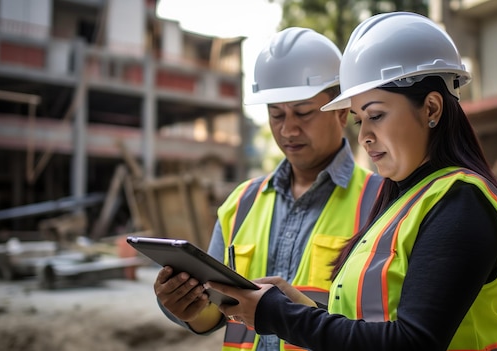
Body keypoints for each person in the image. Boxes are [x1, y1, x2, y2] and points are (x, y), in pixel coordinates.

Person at [207, 12, 497, 351]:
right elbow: (371, 322)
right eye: (359, 119)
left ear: (432, 109)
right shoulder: (403, 202)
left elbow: (412, 341)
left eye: (376, 115)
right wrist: (295, 307)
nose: (363, 136)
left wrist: (279, 314)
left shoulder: (460, 204)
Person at [152, 27, 383, 351]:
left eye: (303, 112)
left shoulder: (381, 202)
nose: (288, 128)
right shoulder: (241, 203)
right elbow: (214, 313)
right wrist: (186, 307)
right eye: (276, 114)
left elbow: (385, 328)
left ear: (342, 111)